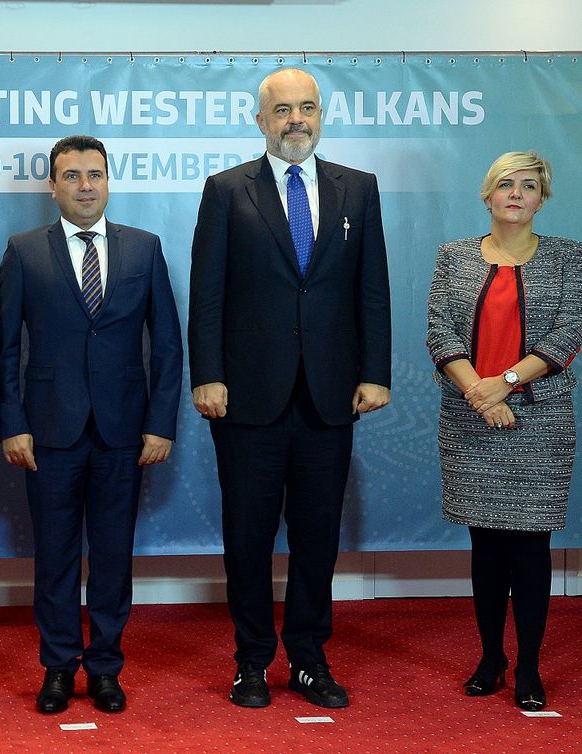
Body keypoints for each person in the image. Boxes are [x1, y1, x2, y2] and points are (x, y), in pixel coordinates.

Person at [188, 67, 391, 710]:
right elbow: (207, 294)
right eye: (282, 110)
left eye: (306, 108)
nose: (295, 120)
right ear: (260, 119)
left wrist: (375, 371)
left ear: (321, 114)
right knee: (247, 536)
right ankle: (251, 660)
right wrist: (208, 375)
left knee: (317, 536)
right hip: (246, 397)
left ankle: (308, 657)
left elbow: (372, 289)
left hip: (331, 395)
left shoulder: (358, 190)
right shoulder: (226, 190)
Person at [0, 136, 183, 715]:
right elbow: (1, 348)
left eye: (94, 174)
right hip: (47, 432)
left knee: (111, 556)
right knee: (53, 558)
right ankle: (57, 669)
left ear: (109, 181)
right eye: (71, 176)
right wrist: (12, 422)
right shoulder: (24, 251)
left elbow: (168, 346)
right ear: (53, 187)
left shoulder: (144, 249)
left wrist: (160, 423)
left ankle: (104, 668)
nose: (84, 185)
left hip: (124, 433)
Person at [426, 151, 582, 711]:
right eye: (505, 185)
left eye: (529, 186)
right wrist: (480, 392)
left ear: (542, 198)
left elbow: (567, 335)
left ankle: (530, 667)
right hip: (471, 418)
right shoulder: (453, 257)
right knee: (486, 544)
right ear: (486, 195)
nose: (516, 194)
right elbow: (440, 332)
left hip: (539, 420)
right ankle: (490, 657)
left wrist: (508, 383)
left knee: (531, 547)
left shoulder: (567, 257)